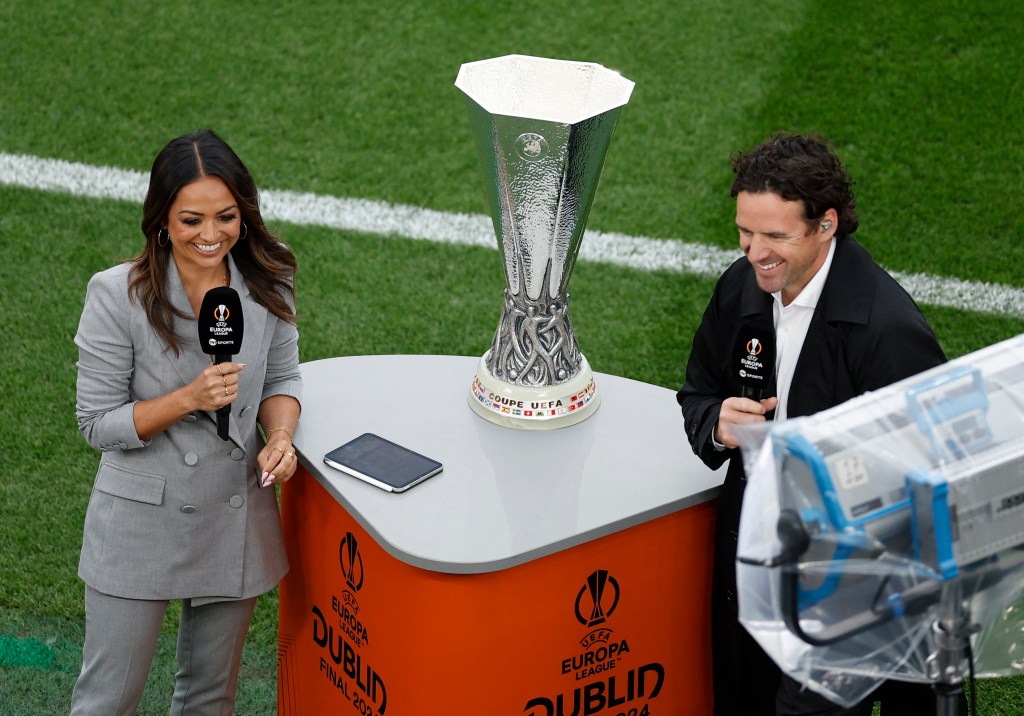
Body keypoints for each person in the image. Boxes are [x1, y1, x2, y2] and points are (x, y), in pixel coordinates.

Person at [677, 133, 947, 715]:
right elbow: (699, 392)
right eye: (745, 232)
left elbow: (931, 477)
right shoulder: (741, 286)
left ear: (827, 225)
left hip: (846, 585)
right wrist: (716, 423)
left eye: (775, 235)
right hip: (754, 566)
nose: (754, 252)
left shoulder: (886, 331)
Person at [70, 129, 302, 715]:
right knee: (107, 702)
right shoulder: (114, 295)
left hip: (234, 514)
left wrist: (279, 436)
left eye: (226, 217)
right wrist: (188, 398)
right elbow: (96, 423)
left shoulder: (269, 281)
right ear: (162, 221)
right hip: (139, 522)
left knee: (209, 701)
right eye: (191, 220)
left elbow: (280, 379)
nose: (211, 235)